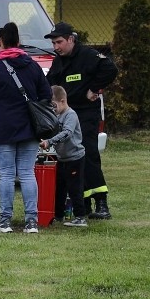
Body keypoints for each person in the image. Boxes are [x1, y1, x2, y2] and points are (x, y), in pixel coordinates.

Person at [0, 22, 52, 234]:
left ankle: (5, 221)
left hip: (2, 129)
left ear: (0, 41)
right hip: (29, 128)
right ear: (19, 41)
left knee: (7, 175)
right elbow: (46, 95)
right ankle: (31, 221)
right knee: (27, 174)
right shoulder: (33, 66)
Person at [46, 22, 118, 220]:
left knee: (88, 154)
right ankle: (83, 204)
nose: (56, 47)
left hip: (86, 113)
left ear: (71, 39)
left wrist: (94, 89)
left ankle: (101, 202)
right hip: (67, 114)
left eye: (59, 42)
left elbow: (110, 69)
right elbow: (49, 83)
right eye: (53, 43)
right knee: (73, 159)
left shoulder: (88, 56)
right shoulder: (59, 61)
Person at [41, 85, 88, 228]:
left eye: (54, 105)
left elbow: (67, 133)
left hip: (75, 158)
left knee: (74, 188)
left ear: (62, 101)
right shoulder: (56, 116)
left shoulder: (70, 115)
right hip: (62, 159)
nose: (52, 109)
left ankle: (80, 217)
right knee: (59, 189)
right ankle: (58, 215)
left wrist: (50, 142)